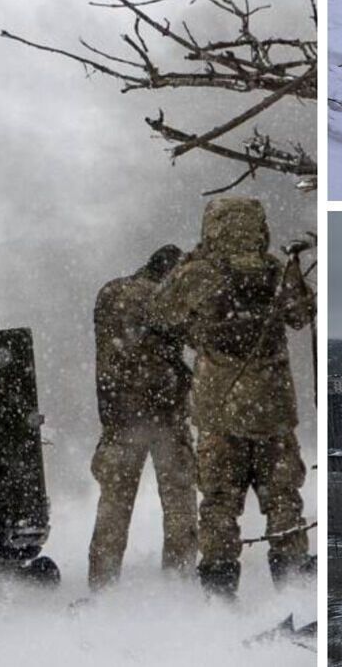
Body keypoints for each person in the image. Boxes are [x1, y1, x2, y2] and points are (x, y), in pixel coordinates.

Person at [154, 197, 315, 599]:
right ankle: (294, 588)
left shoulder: (198, 273)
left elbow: (161, 311)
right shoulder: (276, 270)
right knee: (283, 500)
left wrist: (192, 263)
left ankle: (220, 594)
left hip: (220, 411)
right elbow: (302, 315)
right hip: (273, 411)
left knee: (219, 504)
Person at [87, 244, 197, 590]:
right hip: (167, 418)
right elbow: (198, 338)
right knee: (179, 504)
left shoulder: (110, 293)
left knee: (113, 508)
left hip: (119, 418)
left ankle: (102, 586)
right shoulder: (168, 300)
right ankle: (177, 584)